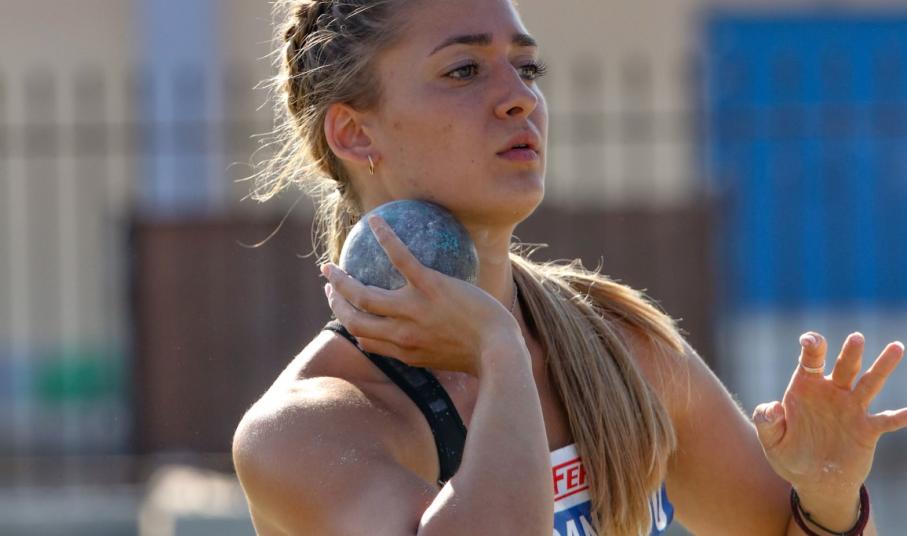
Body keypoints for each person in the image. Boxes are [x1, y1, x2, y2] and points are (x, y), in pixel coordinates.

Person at [230, 0, 907, 534]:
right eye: (464, 71)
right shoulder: (307, 431)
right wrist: (500, 353)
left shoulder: (621, 348)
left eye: (527, 69)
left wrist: (829, 498)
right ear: (354, 133)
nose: (520, 98)